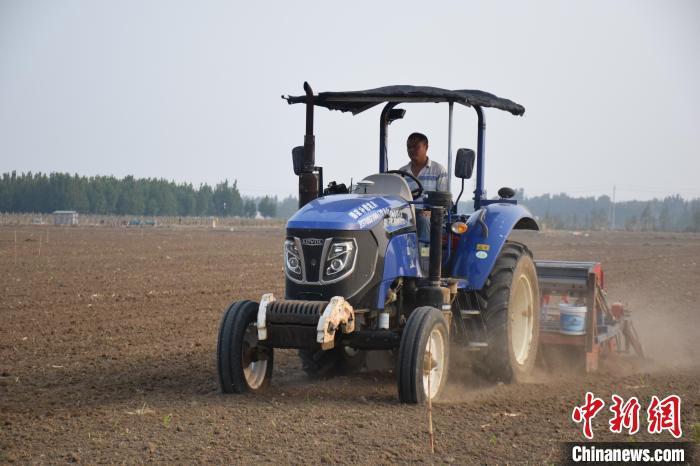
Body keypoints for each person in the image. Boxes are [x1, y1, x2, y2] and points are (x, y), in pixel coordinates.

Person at [398, 132, 448, 245]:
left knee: (423, 219)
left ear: (426, 147)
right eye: (409, 147)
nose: (412, 150)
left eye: (416, 146)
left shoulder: (438, 170)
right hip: (407, 210)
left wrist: (429, 209)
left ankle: (423, 254)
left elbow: (442, 200)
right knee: (389, 220)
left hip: (430, 211)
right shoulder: (402, 172)